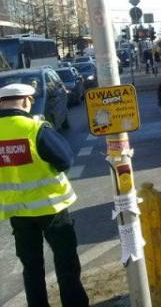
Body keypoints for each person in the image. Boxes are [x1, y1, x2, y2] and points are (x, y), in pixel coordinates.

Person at [0, 84, 89, 307]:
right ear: (25, 101)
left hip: (18, 212)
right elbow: (65, 160)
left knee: (31, 268)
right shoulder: (35, 128)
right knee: (66, 262)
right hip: (52, 208)